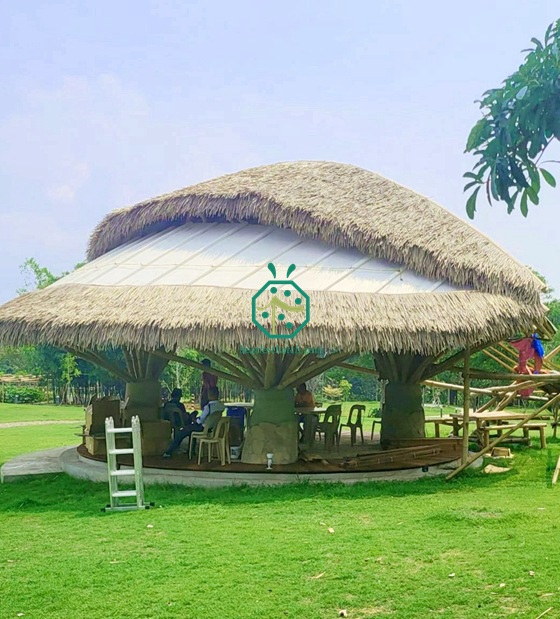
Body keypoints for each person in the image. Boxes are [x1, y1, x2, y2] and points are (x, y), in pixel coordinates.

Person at [163, 387, 225, 458]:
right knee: (190, 428)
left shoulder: (208, 407)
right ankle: (191, 450)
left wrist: (195, 420)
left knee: (184, 432)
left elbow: (200, 421)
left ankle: (169, 451)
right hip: (212, 427)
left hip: (200, 427)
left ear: (209, 395)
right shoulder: (221, 406)